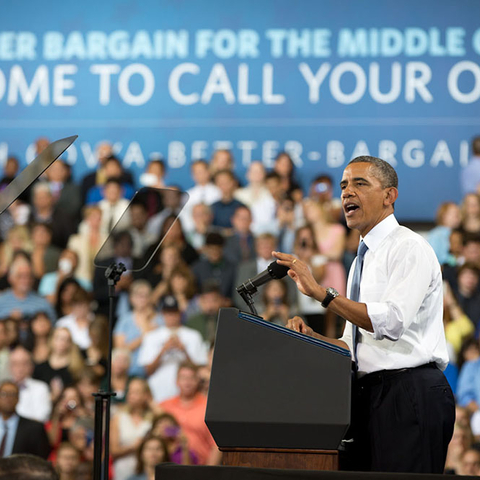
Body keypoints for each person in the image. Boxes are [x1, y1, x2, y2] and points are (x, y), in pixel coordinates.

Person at [273, 156, 455, 473]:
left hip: (410, 393)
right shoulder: (360, 260)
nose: (346, 192)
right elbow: (352, 345)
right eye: (343, 185)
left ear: (389, 196)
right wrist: (311, 339)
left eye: (360, 183)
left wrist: (322, 293)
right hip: (369, 397)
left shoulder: (409, 246)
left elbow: (391, 322)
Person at [137, 295, 207, 403]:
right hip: (158, 393)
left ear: (180, 313)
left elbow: (199, 370)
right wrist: (163, 350)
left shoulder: (193, 335)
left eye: (174, 312)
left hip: (187, 397)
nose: (171, 316)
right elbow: (148, 370)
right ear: (162, 314)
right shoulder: (151, 336)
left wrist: (183, 350)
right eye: (167, 313)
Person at [160, 363, 221, 465]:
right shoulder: (165, 406)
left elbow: (216, 444)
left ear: (197, 381)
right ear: (177, 381)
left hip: (200, 468)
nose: (187, 382)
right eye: (183, 378)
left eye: (191, 378)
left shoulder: (208, 407)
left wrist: (210, 472)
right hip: (169, 466)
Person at [0, 381, 50, 459]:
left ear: (18, 398)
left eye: (13, 394)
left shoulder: (34, 429)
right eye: (4, 394)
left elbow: (41, 460)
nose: (8, 398)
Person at [9, 346, 52, 423]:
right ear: (9, 367)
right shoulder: (3, 388)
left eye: (24, 364)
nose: (20, 368)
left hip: (32, 432)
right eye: (15, 364)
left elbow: (42, 418)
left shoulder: (41, 388)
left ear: (31, 366)